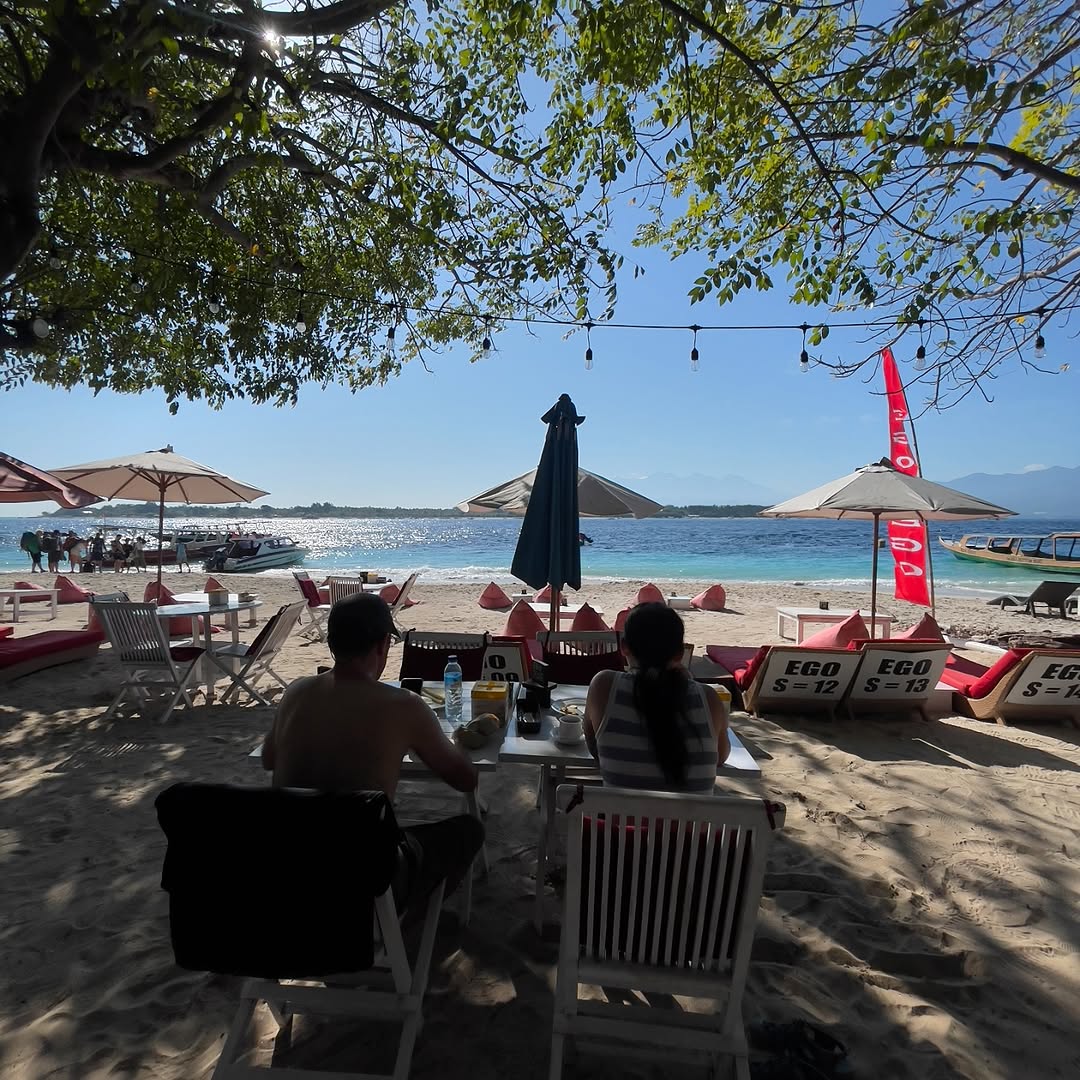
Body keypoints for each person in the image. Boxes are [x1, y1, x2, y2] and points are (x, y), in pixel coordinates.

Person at [262, 592, 484, 919]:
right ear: (382, 646)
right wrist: (458, 746)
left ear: (333, 644)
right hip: (364, 880)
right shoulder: (405, 706)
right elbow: (465, 779)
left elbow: (269, 759)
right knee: (469, 830)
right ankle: (407, 919)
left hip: (292, 869)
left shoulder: (296, 692)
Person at [583, 602, 730, 792]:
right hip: (688, 822)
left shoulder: (604, 686)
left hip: (619, 821)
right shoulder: (708, 698)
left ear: (624, 647)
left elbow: (595, 748)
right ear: (679, 654)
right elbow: (721, 757)